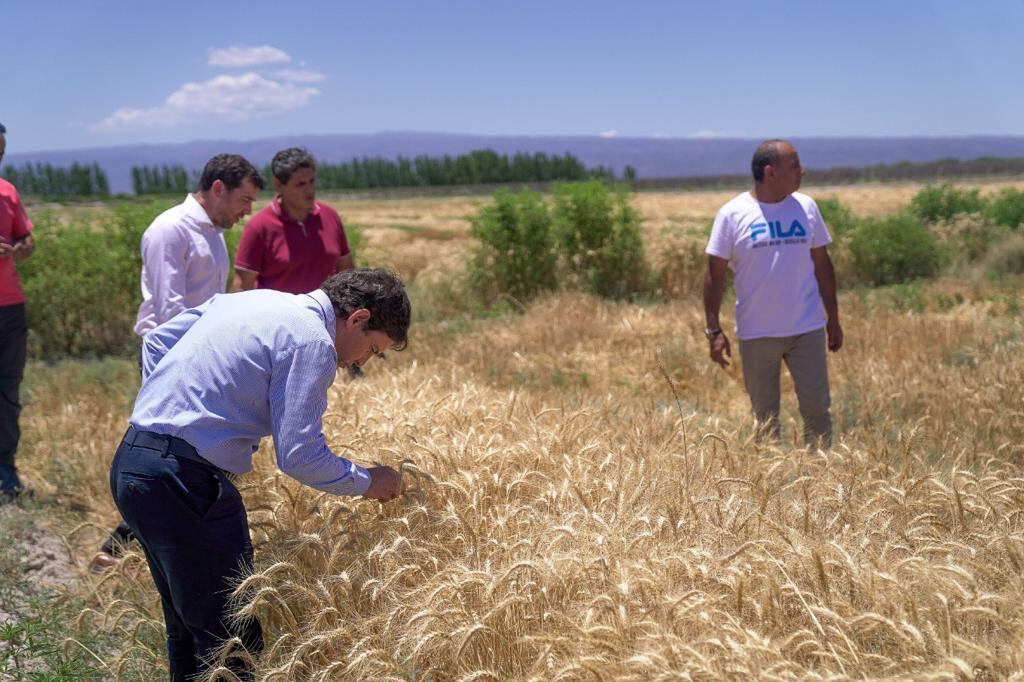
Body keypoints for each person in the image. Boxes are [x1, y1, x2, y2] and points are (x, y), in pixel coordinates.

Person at [109, 268, 409, 681]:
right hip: (184, 482)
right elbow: (299, 455)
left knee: (192, 632)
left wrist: (169, 409)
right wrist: (370, 481)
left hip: (136, 464)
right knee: (232, 643)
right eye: (372, 349)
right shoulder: (312, 341)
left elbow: (157, 340)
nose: (360, 363)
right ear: (357, 319)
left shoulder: (254, 301)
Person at [96, 154, 265, 566]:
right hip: (172, 359)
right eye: (244, 199)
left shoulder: (214, 232)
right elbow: (168, 313)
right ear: (218, 188)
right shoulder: (170, 229)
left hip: (203, 359)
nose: (248, 211)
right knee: (169, 459)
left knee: (194, 460)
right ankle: (128, 550)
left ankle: (140, 548)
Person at [703, 139, 843, 447]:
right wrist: (714, 330)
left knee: (818, 411)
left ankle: (821, 482)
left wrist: (833, 317)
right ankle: (770, 485)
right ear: (770, 173)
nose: (802, 171)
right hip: (757, 334)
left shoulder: (807, 207)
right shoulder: (732, 214)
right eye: (794, 165)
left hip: (807, 329)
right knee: (765, 418)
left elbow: (822, 264)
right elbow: (713, 277)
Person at [231, 147, 367, 377]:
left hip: (326, 328)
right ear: (279, 184)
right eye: (300, 184)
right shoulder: (260, 227)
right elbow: (241, 287)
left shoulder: (330, 217)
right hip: (278, 333)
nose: (310, 189)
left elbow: (347, 273)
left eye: (312, 181)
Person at [0, 123, 35, 500]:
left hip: (9, 306)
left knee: (7, 390)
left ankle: (5, 467)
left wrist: (22, 248)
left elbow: (26, 238)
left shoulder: (8, 191)